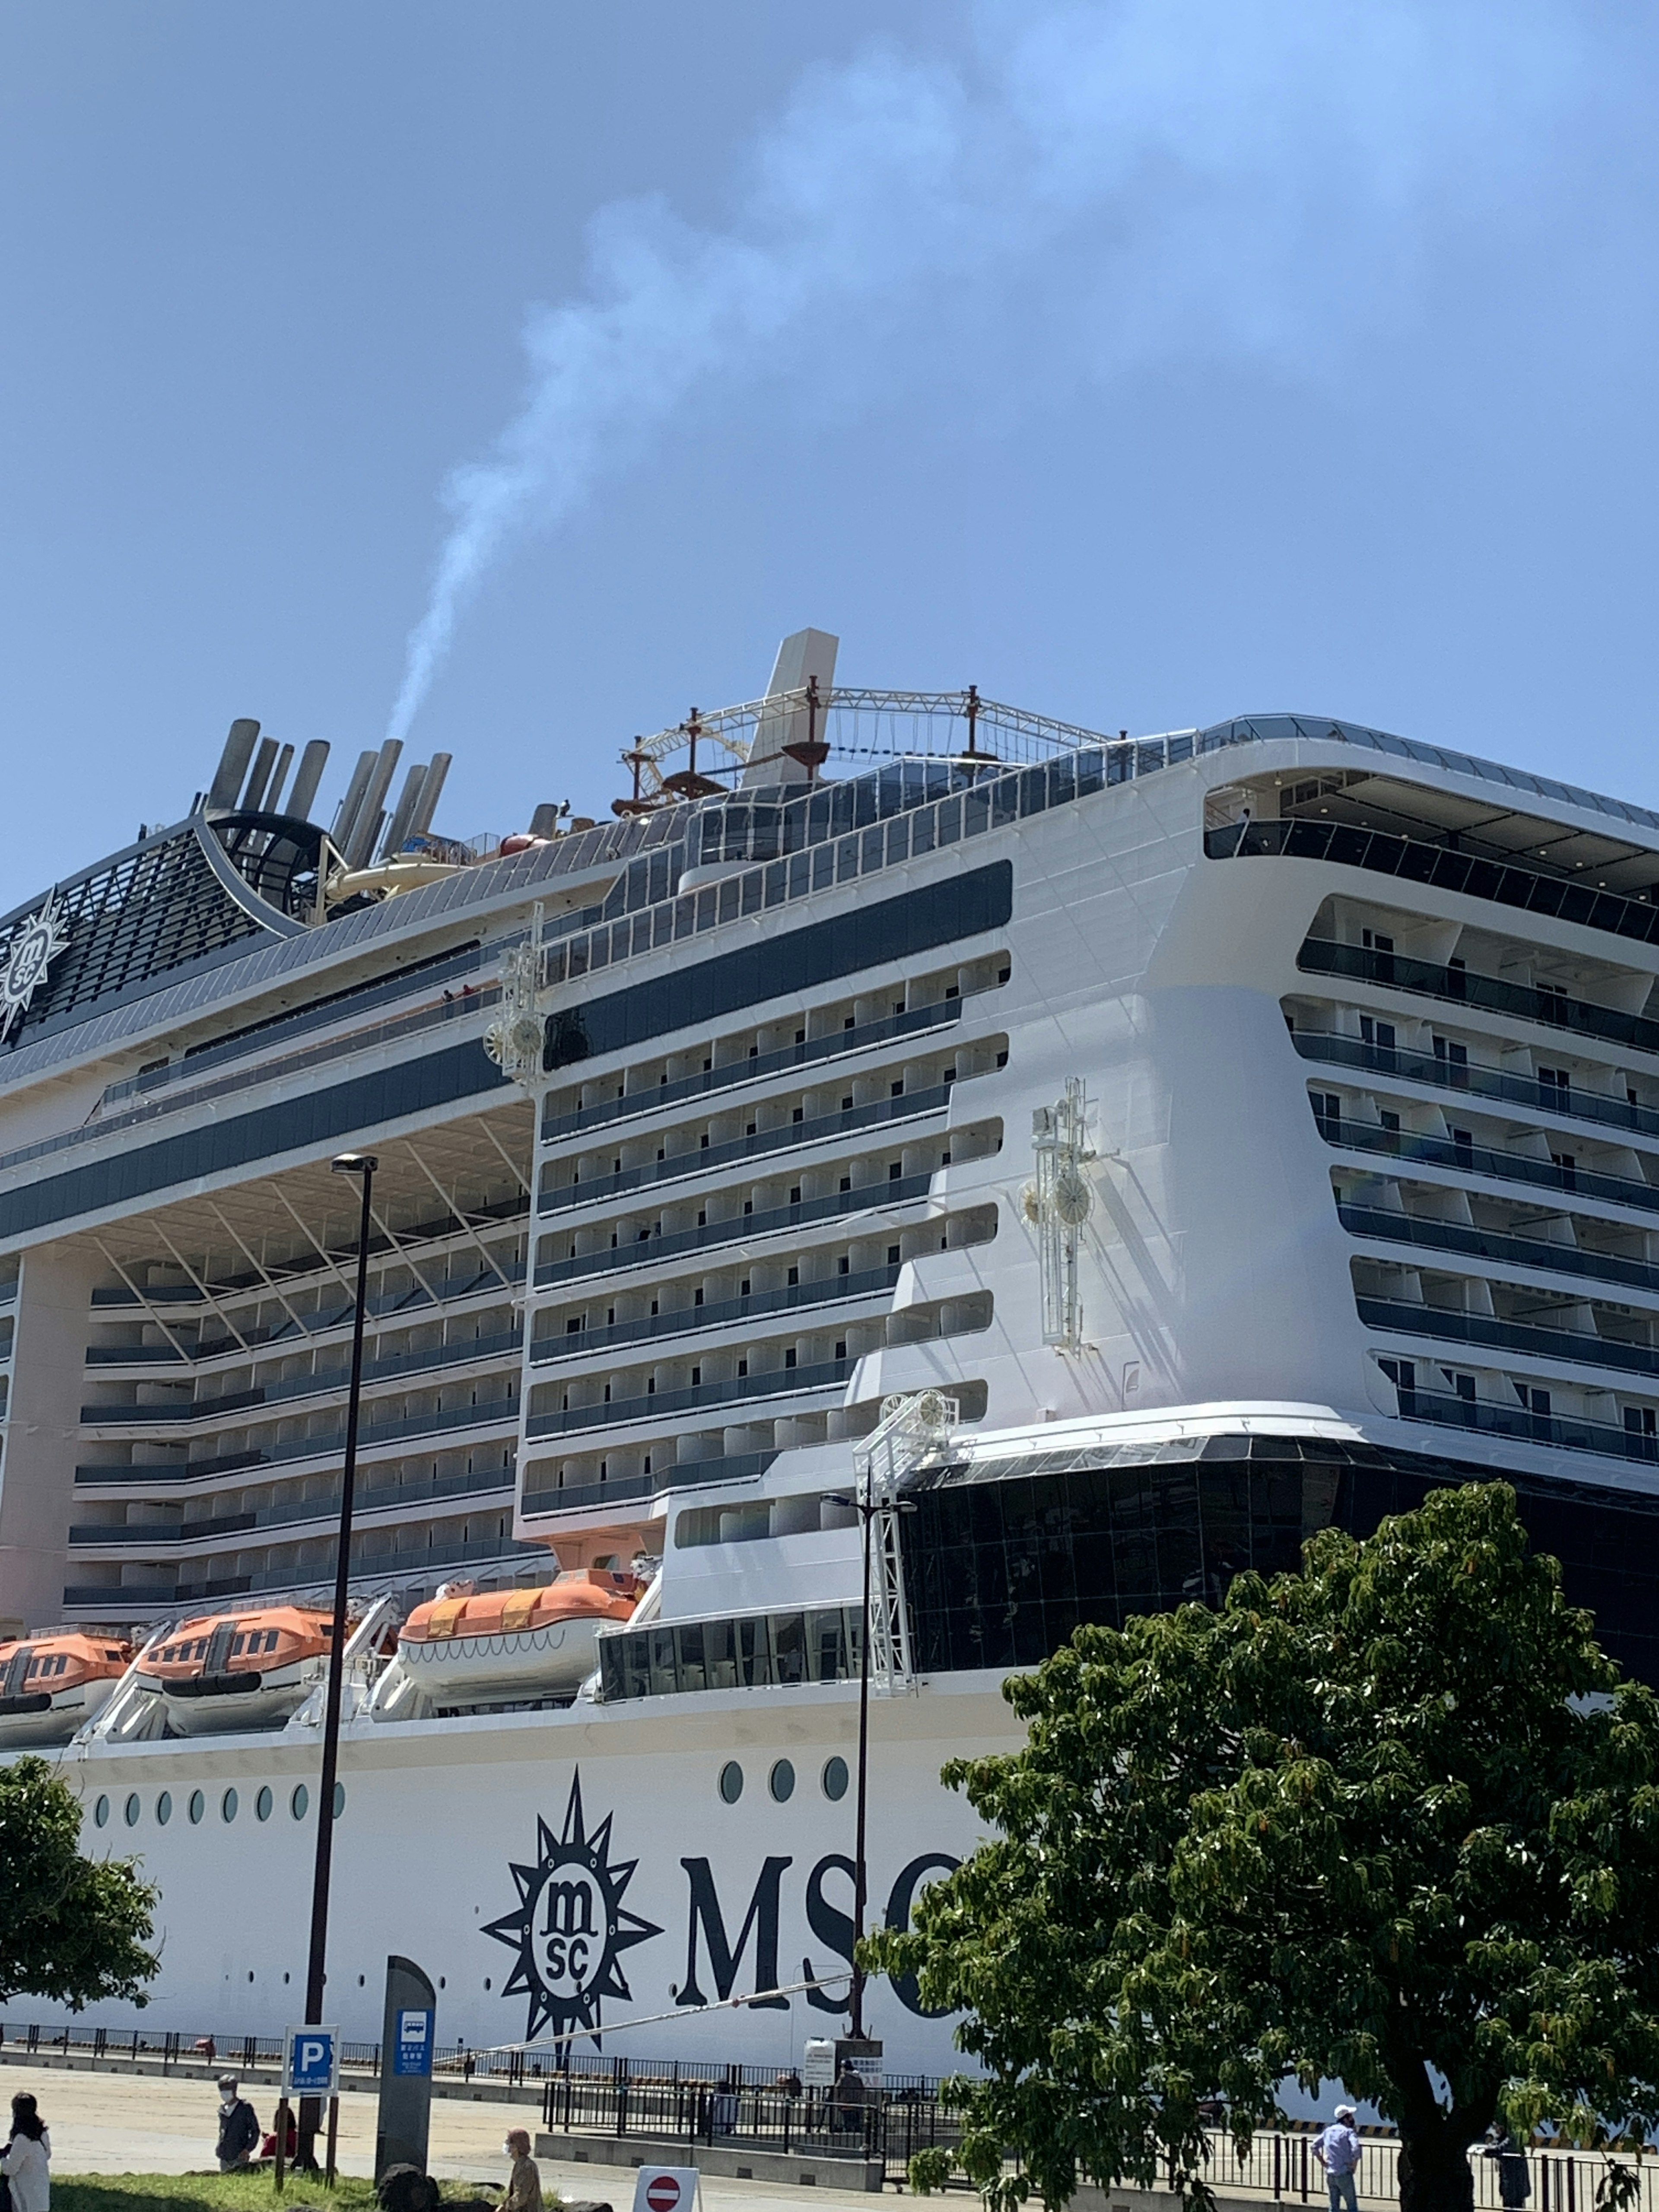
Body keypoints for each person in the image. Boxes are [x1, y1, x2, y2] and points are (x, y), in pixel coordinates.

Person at [1, 2092, 50, 2212]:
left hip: (25, 2195)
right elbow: (47, 2155)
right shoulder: (42, 2133)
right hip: (41, 2191)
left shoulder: (22, 2139)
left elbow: (11, 2169)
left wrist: (2, 2158)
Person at [1313, 2105, 1363, 2212]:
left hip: (1331, 2173)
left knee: (1334, 2206)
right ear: (1345, 2119)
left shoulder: (1328, 2131)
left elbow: (1314, 2146)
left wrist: (1323, 2162)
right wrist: (1354, 2165)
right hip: (1344, 2172)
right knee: (1352, 2206)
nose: (1352, 2119)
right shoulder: (1349, 2132)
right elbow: (1356, 2149)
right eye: (1350, 2117)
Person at [214, 2075, 260, 2172]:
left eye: (227, 2089)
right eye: (222, 2090)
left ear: (234, 2090)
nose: (224, 2093)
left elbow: (255, 2131)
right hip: (225, 2155)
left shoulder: (245, 2108)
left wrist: (248, 2149)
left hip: (239, 2155)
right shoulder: (223, 2110)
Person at [1484, 2127, 1532, 2209]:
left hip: (1514, 2181)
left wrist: (1486, 2151)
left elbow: (1501, 2148)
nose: (1497, 2130)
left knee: (1514, 2204)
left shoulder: (1513, 2136)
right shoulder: (1505, 2137)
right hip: (1511, 2181)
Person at [499, 2129, 542, 2212]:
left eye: (510, 2144)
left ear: (516, 2147)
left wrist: (508, 2207)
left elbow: (521, 2197)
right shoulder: (519, 2164)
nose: (508, 2148)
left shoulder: (527, 2167)